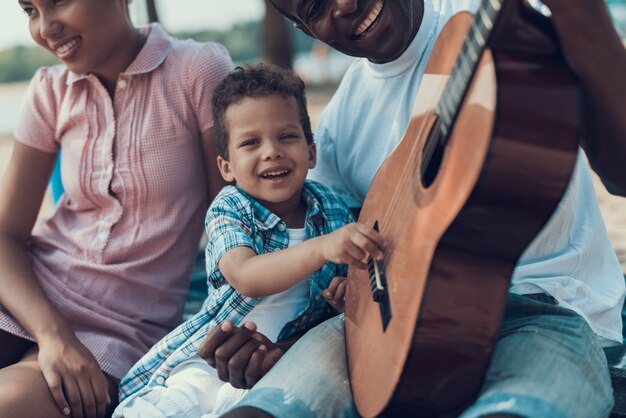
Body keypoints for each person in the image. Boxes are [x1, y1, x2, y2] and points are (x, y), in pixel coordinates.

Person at [199, 1, 626, 417]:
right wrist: (282, 351)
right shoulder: (337, 126)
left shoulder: (506, 26)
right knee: (265, 411)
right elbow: (347, 277)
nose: (345, 3)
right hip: (391, 332)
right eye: (316, 8)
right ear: (310, 32)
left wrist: (579, 12)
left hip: (545, 308)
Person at [0, 0, 234, 417]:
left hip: (115, 333)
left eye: (56, 2)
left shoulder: (197, 70)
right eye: (29, 10)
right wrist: (52, 334)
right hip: (28, 298)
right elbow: (5, 236)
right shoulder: (49, 90)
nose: (45, 27)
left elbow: (236, 226)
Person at [113, 63, 384, 418]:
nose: (271, 151)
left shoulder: (329, 206)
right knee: (176, 406)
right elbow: (246, 275)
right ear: (226, 167)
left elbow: (348, 275)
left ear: (311, 152)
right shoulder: (230, 209)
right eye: (251, 142)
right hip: (215, 354)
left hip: (284, 360)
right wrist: (323, 247)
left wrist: (342, 290)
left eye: (287, 136)